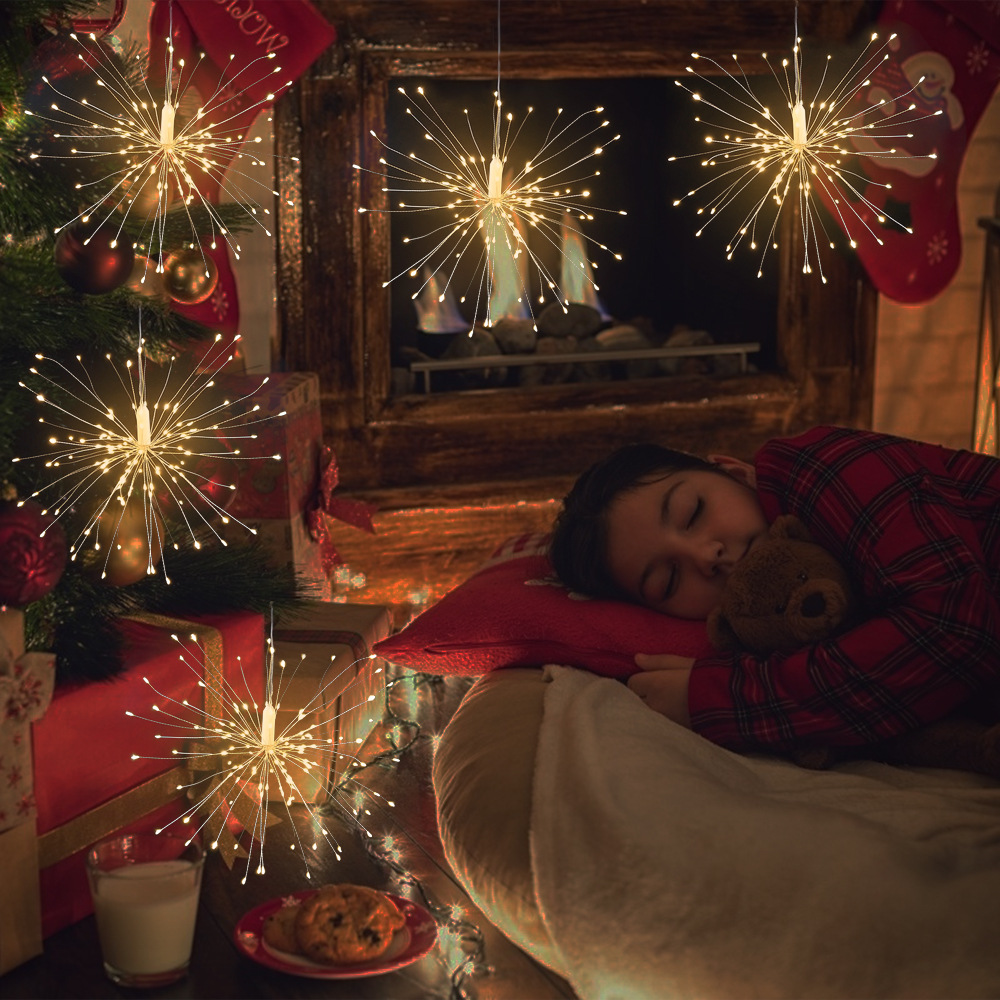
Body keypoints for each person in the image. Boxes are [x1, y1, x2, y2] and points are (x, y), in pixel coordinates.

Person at [549, 425, 1000, 754]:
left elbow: (955, 627)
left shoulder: (821, 466)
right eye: (669, 580)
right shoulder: (764, 623)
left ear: (734, 472)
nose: (707, 556)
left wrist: (718, 698)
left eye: (693, 511)